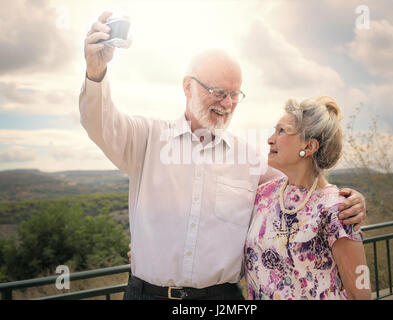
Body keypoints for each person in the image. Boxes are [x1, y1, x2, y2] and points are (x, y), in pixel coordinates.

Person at [80, 11, 367, 300]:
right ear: (187, 86)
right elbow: (99, 123)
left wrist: (348, 200)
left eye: (234, 94)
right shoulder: (147, 138)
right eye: (218, 92)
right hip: (147, 295)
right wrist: (95, 72)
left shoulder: (251, 159)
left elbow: (306, 184)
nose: (227, 103)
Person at [244, 97, 371, 300]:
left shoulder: (338, 209)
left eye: (282, 131)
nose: (270, 139)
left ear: (309, 146)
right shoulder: (264, 195)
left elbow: (360, 292)